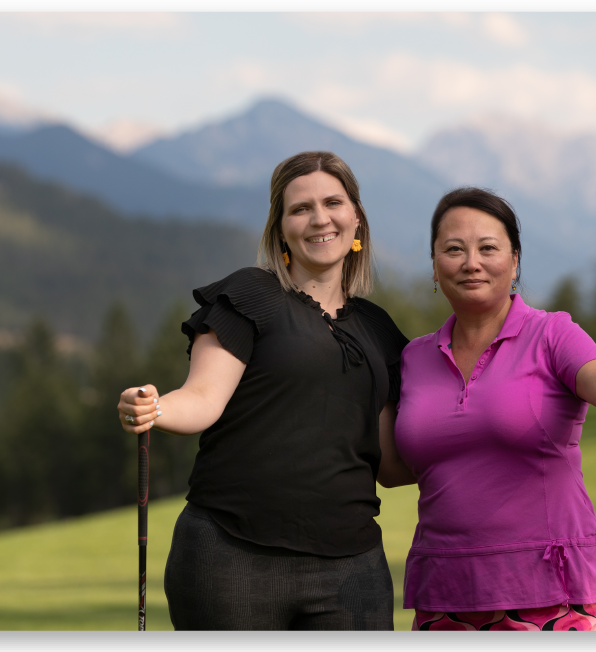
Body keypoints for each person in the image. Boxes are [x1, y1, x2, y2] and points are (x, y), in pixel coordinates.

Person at [118, 151, 409, 631]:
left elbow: (394, 464)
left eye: (333, 202)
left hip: (353, 568)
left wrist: (483, 444)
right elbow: (202, 399)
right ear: (280, 230)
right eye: (300, 208)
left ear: (356, 218)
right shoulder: (250, 295)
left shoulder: (378, 330)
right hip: (231, 558)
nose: (319, 219)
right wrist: (152, 407)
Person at [377, 187, 596, 632]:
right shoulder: (413, 358)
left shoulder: (552, 333)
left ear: (514, 262)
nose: (471, 262)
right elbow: (395, 469)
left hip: (550, 591)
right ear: (435, 265)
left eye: (488, 248)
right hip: (445, 592)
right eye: (453, 249)